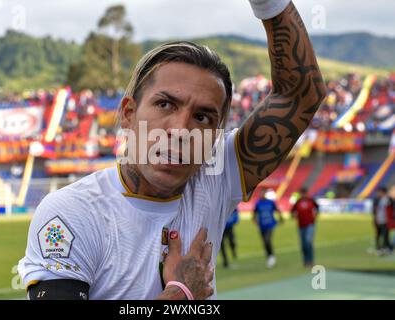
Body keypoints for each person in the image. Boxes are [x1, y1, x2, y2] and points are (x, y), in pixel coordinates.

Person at [18, 0, 326, 300]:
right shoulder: (73, 213)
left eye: (202, 117)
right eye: (165, 104)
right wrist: (181, 293)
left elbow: (300, 96)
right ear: (128, 113)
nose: (180, 130)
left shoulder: (215, 178)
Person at [253, 189, 283, 268]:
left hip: (270, 224)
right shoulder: (258, 203)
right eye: (261, 193)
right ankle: (269, 257)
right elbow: (255, 212)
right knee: (264, 242)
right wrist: (254, 219)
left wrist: (281, 218)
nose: (262, 195)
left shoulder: (271, 202)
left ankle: (271, 256)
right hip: (262, 225)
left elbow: (277, 210)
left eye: (263, 193)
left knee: (267, 240)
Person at [291, 187, 319, 267]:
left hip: (310, 224)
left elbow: (317, 208)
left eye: (304, 193)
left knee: (308, 241)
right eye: (301, 193)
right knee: (303, 244)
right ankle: (305, 261)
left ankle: (311, 260)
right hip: (301, 225)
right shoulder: (298, 202)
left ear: (306, 193)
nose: (303, 195)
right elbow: (292, 211)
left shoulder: (311, 200)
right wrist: (294, 215)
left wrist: (316, 215)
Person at [373, 186, 394, 255]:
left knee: (385, 234)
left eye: (379, 192)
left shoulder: (389, 199)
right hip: (379, 220)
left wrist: (392, 219)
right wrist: (375, 219)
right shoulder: (377, 199)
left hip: (386, 220)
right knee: (378, 235)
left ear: (383, 192)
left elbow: (392, 209)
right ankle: (379, 248)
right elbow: (375, 210)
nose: (378, 193)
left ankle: (387, 247)